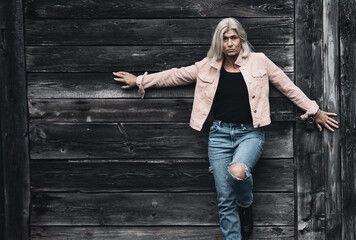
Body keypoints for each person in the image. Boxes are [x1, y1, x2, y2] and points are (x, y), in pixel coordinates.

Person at [113, 18, 338, 240]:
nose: (230, 43)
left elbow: (286, 86)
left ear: (241, 40)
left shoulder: (259, 61)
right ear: (218, 43)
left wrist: (313, 109)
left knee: (238, 172)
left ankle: (246, 204)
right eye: (225, 39)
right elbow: (175, 75)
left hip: (250, 133)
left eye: (234, 38)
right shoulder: (207, 66)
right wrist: (141, 81)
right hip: (219, 136)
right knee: (224, 199)